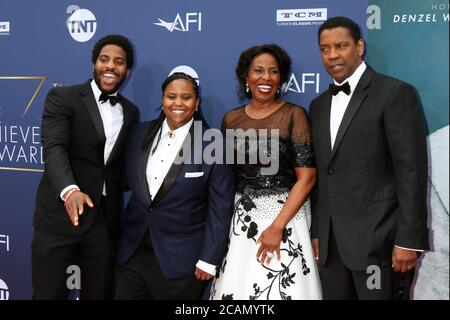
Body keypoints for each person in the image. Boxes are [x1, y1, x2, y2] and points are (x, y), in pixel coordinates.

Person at [308, 16, 429, 299]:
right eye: (324, 49)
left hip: (380, 246)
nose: (332, 55)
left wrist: (408, 240)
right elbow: (324, 176)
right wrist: (317, 231)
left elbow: (410, 171)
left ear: (359, 47)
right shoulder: (318, 105)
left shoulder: (395, 93)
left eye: (341, 45)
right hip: (331, 248)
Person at [32, 34, 140, 299]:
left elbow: (121, 166)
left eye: (119, 61)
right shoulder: (63, 97)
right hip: (59, 217)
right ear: (94, 64)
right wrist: (70, 191)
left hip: (103, 223)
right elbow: (54, 147)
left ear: (127, 70)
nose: (111, 66)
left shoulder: (131, 112)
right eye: (104, 59)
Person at [210, 44, 322, 300]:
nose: (266, 77)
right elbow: (225, 178)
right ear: (245, 77)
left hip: (286, 217)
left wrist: (277, 227)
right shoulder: (231, 119)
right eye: (258, 70)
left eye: (273, 71)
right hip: (242, 221)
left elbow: (308, 178)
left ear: (280, 78)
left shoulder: (294, 115)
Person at [116, 72, 235, 300]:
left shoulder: (214, 143)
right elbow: (121, 180)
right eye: (171, 96)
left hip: (182, 263)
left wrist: (209, 259)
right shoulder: (138, 133)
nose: (178, 103)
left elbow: (220, 208)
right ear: (162, 100)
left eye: (186, 97)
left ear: (197, 103)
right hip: (132, 254)